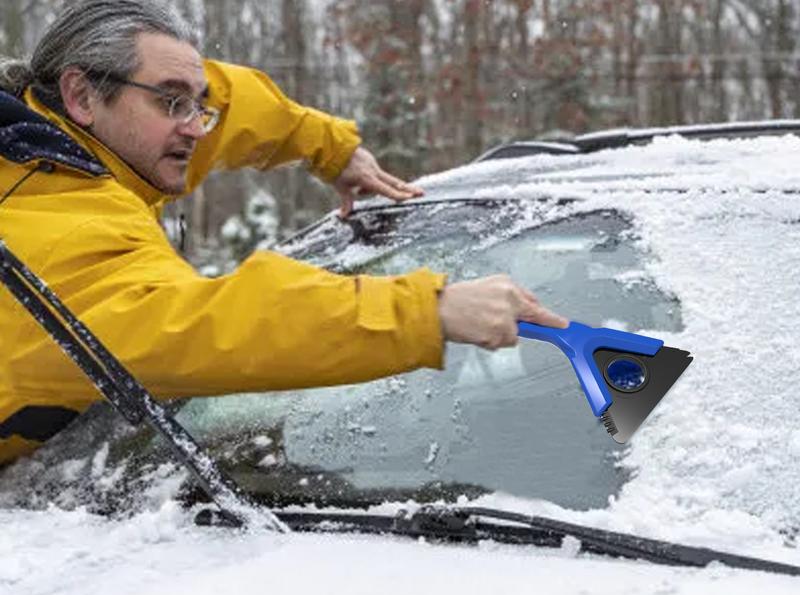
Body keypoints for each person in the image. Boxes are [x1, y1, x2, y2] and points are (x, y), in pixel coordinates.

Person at [0, 0, 567, 467]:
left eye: (197, 106)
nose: (196, 127)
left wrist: (328, 146)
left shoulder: (66, 144)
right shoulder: (48, 227)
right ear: (80, 96)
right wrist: (428, 311)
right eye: (173, 102)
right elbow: (212, 327)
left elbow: (223, 97)